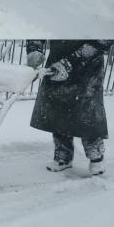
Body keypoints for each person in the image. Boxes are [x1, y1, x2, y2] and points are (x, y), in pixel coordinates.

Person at [26, 40, 112, 175]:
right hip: (57, 59)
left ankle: (96, 157)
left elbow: (103, 39)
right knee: (57, 108)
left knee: (87, 112)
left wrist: (69, 62)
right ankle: (63, 156)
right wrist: (34, 49)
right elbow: (39, 22)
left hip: (89, 65)